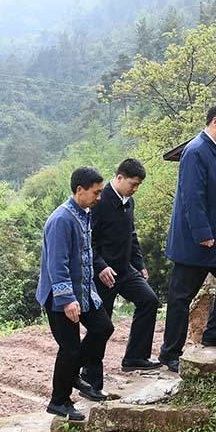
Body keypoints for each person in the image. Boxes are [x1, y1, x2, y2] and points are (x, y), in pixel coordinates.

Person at [158, 103, 216, 373]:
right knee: (181, 297)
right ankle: (170, 354)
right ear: (215, 122)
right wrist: (202, 233)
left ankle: (213, 335)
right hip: (196, 244)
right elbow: (191, 197)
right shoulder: (196, 151)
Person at [36, 167, 114, 421]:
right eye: (96, 192)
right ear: (80, 190)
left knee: (103, 328)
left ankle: (72, 375)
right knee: (69, 348)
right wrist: (67, 299)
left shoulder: (84, 213)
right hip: (60, 295)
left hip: (84, 290)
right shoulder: (61, 219)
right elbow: (57, 264)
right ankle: (59, 401)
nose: (99, 197)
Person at [80, 158, 161, 392]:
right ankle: (90, 378)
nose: (135, 189)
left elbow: (131, 235)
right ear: (119, 178)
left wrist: (140, 263)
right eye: (133, 184)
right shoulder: (99, 201)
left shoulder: (129, 201)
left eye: (138, 185)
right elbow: (88, 240)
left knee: (149, 300)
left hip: (125, 270)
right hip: (103, 275)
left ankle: (135, 356)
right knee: (101, 327)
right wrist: (101, 266)